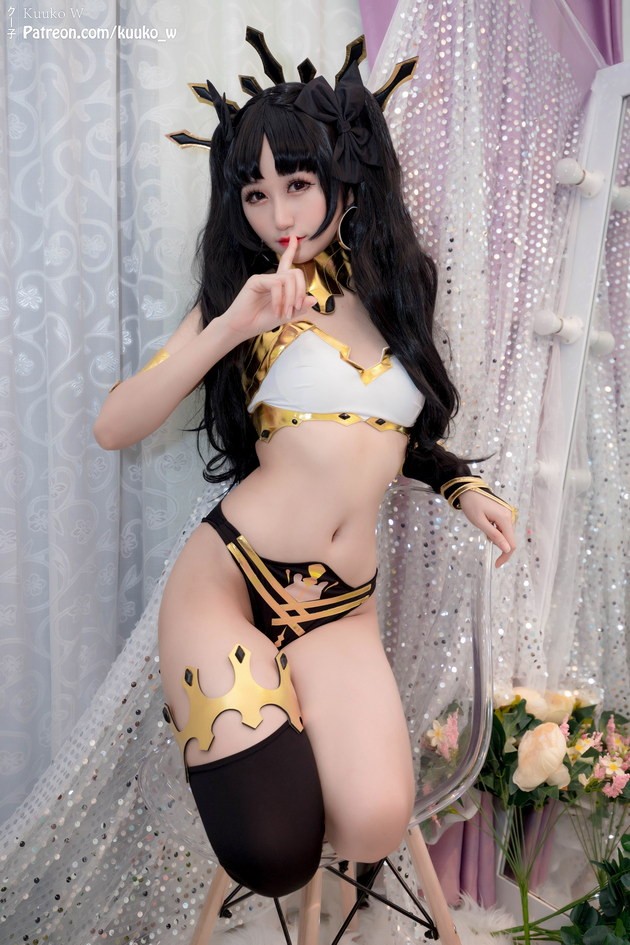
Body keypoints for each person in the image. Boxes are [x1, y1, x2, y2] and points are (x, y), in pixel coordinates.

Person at [93, 30, 516, 902]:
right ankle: (260, 728)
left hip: (339, 610)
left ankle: (285, 721)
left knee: (372, 823)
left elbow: (392, 433)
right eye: (255, 193)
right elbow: (114, 424)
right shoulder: (244, 297)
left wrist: (459, 483)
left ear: (344, 178)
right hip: (229, 581)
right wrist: (228, 328)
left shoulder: (399, 291)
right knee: (277, 850)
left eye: (296, 183)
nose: (276, 214)